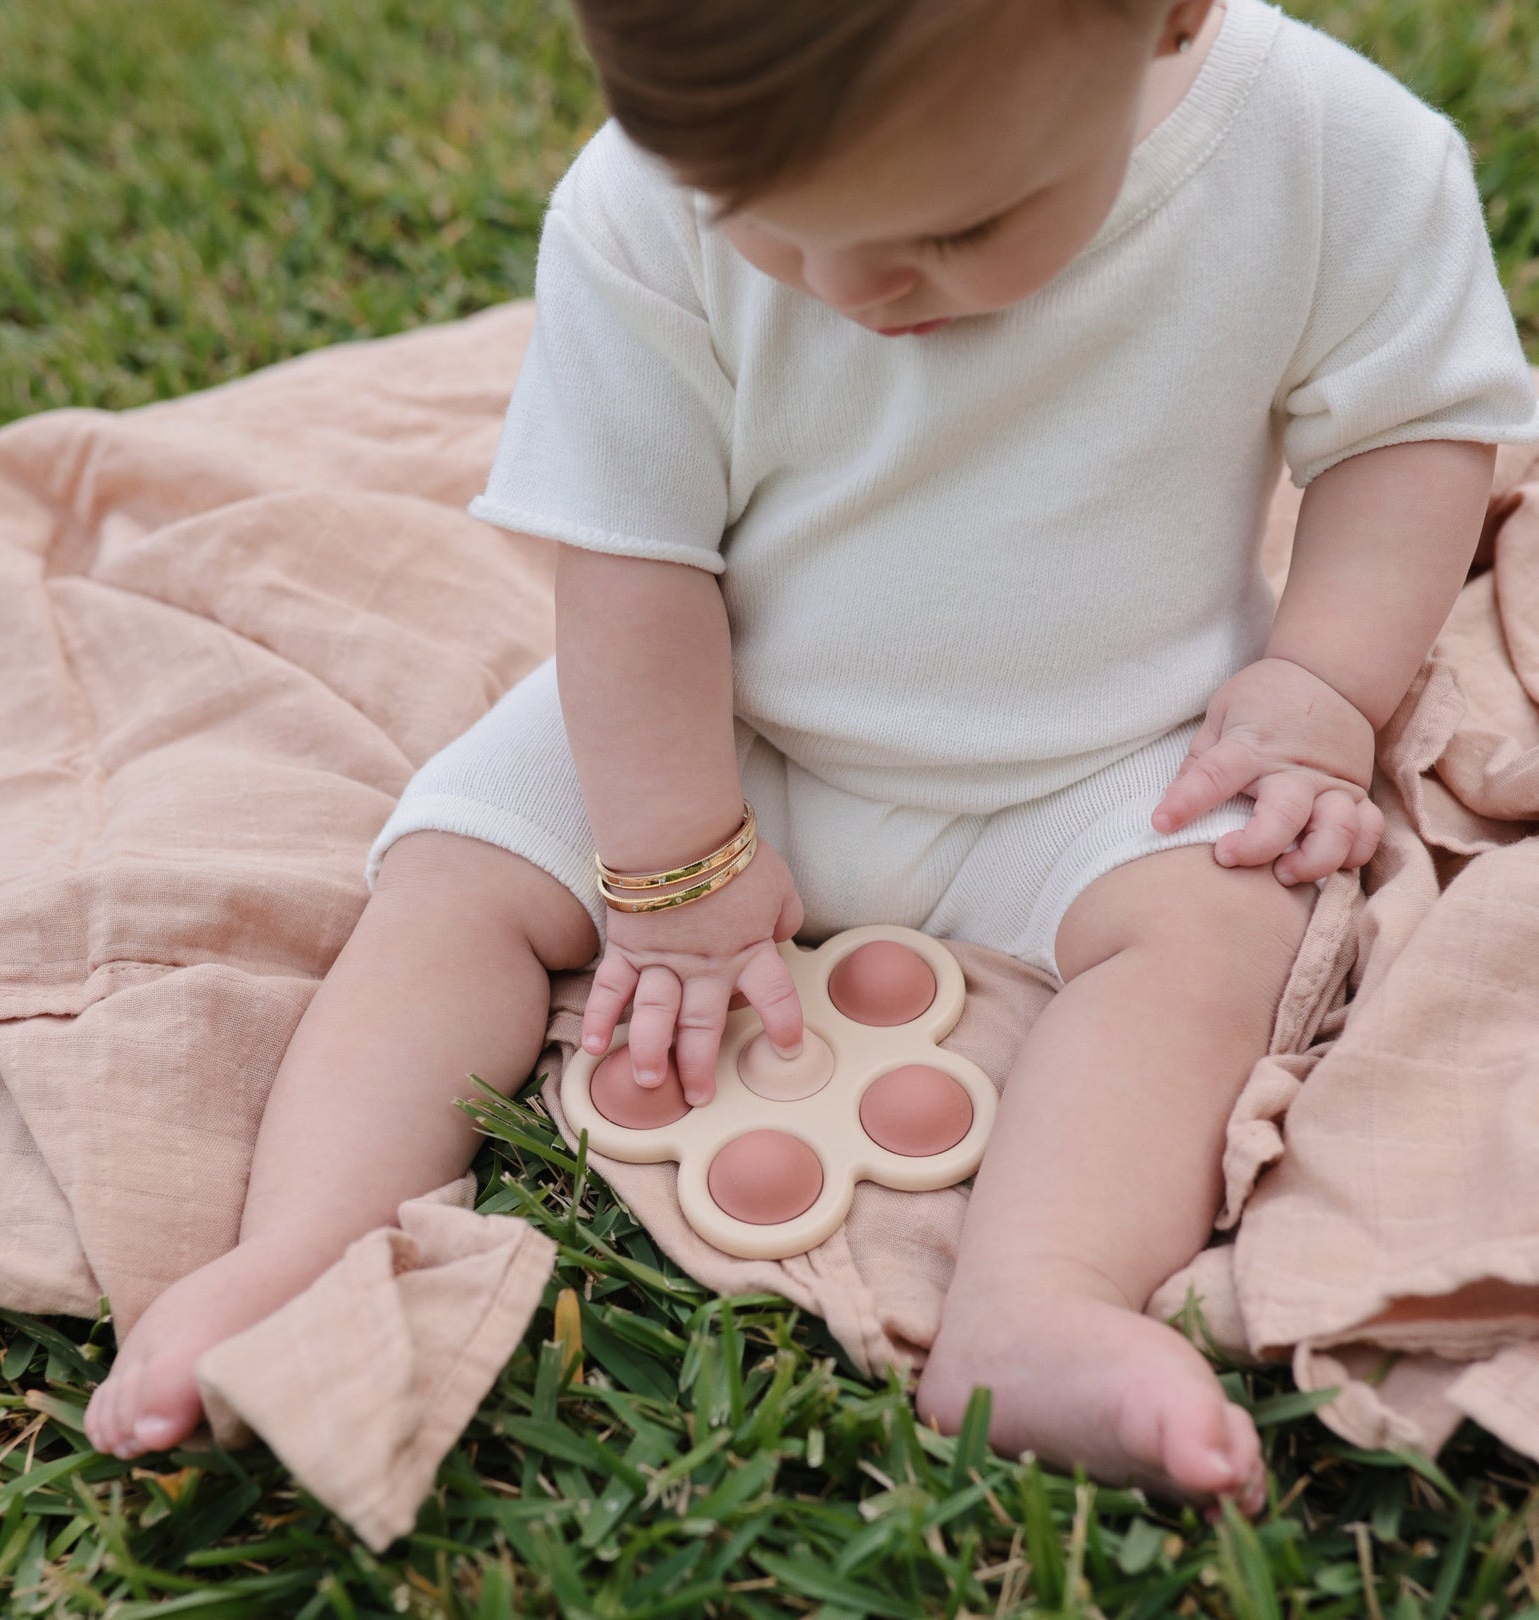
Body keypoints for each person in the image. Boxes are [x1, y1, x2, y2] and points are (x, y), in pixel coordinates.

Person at [84, 0, 1539, 1505]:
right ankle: (303, 1248)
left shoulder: (1328, 153)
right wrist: (671, 859)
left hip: (1115, 750)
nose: (849, 286)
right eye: (766, 227)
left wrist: (1320, 681)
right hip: (718, 728)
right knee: (455, 880)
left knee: (1217, 932)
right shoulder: (641, 205)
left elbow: (1406, 428)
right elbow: (633, 565)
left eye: (958, 228)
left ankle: (1038, 1302)